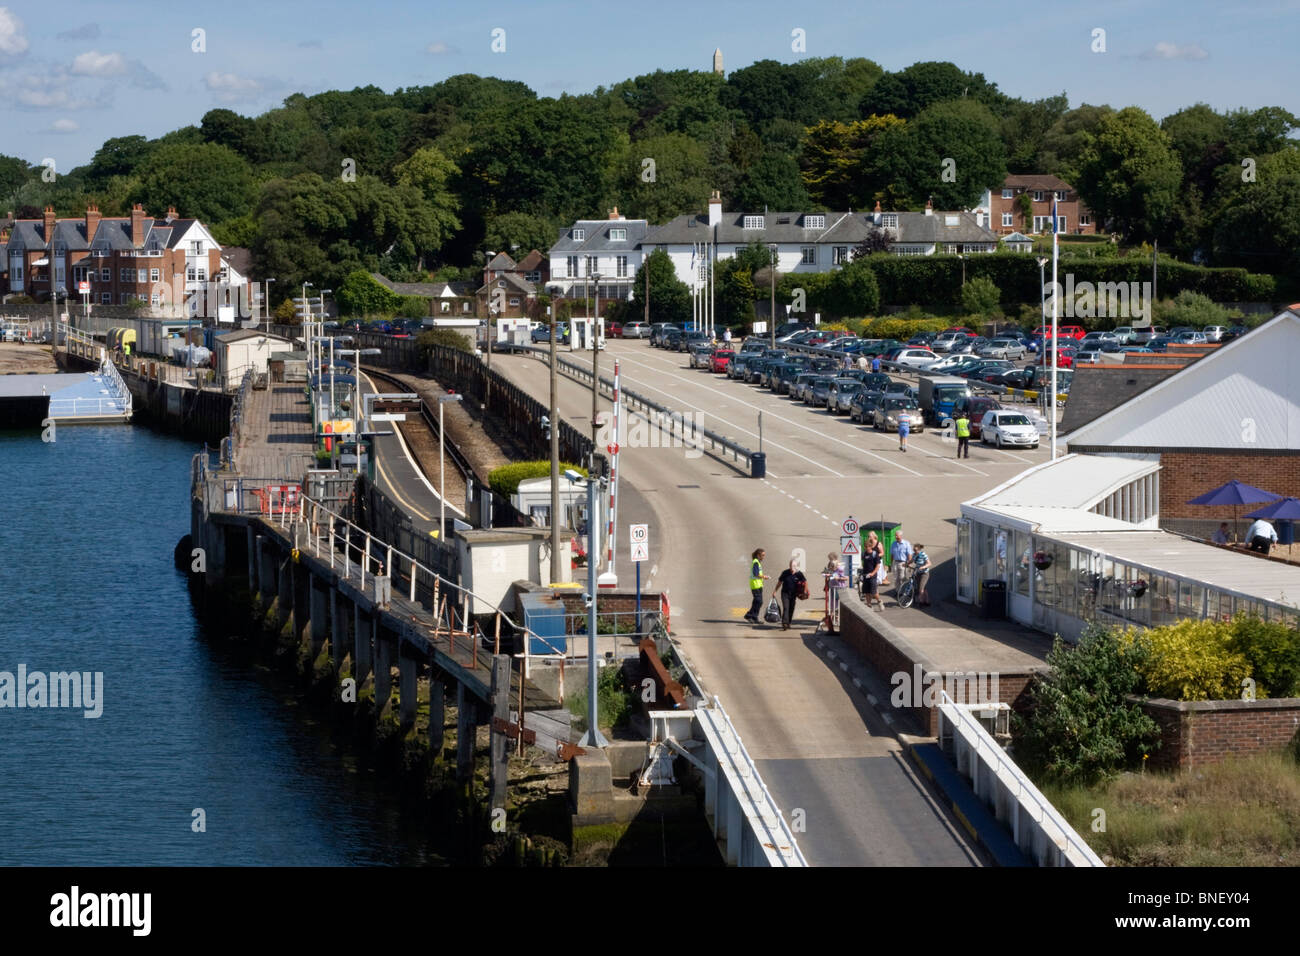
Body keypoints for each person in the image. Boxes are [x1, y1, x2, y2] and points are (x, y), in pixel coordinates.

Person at [775, 558, 807, 631]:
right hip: (785, 593)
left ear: (796, 566)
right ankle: (784, 623)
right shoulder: (785, 573)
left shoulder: (799, 574)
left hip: (793, 594)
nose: (792, 568)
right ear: (789, 566)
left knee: (791, 608)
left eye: (794, 566)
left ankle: (788, 622)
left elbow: (805, 582)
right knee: (786, 607)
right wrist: (775, 591)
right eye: (791, 566)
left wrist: (804, 591)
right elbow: (780, 582)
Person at [744, 548, 770, 623]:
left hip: (758, 585)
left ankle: (754, 617)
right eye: (762, 555)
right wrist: (764, 577)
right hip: (755, 585)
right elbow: (756, 574)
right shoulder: (755, 562)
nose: (763, 557)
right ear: (758, 555)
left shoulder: (757, 562)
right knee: (758, 601)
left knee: (758, 602)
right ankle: (749, 615)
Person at [861, 532, 884, 611]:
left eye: (867, 547)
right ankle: (869, 605)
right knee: (866, 591)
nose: (866, 548)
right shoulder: (864, 554)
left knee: (873, 592)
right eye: (865, 547)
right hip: (865, 575)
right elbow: (863, 563)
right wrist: (862, 573)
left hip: (872, 575)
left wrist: (872, 573)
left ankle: (879, 601)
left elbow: (877, 565)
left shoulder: (875, 554)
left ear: (870, 547)